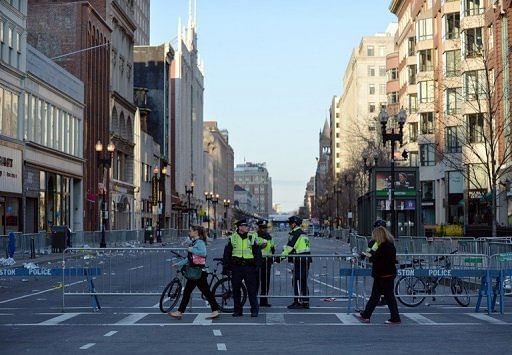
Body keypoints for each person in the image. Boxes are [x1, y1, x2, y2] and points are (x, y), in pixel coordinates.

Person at [168, 225, 220, 320]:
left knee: (199, 292)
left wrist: (192, 249)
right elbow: (190, 259)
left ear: (196, 232)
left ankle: (214, 310)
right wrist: (179, 264)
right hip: (196, 271)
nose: (189, 232)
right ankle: (180, 312)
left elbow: (203, 253)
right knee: (194, 291)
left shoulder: (199, 242)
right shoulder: (195, 242)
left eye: (191, 231)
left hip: (198, 272)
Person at [355, 224, 401, 324]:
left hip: (382, 275)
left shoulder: (381, 247)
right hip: (388, 274)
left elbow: (374, 258)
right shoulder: (390, 245)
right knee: (383, 297)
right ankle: (366, 315)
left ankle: (394, 317)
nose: (373, 238)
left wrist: (366, 256)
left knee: (380, 297)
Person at [223, 218, 261, 317]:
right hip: (236, 267)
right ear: (240, 227)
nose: (247, 227)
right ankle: (238, 311)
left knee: (251, 290)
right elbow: (227, 253)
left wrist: (257, 266)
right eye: (245, 226)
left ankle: (254, 310)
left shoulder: (251, 237)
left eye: (247, 226)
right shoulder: (233, 237)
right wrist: (226, 267)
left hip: (249, 267)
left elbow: (257, 252)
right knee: (236, 290)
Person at [282, 215, 312, 309]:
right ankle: (305, 301)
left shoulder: (295, 234)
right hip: (305, 260)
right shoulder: (303, 233)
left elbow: (289, 248)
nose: (289, 225)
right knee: (303, 281)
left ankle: (298, 301)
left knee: (296, 281)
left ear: (294, 224)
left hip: (299, 260)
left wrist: (279, 258)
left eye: (290, 223)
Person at [256, 220, 275, 307]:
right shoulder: (255, 236)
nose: (264, 229)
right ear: (259, 228)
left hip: (267, 262)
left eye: (265, 227)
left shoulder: (269, 237)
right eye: (262, 227)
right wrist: (259, 247)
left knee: (265, 282)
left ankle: (264, 301)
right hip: (257, 261)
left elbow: (272, 248)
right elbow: (251, 247)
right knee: (256, 282)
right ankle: (255, 301)